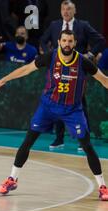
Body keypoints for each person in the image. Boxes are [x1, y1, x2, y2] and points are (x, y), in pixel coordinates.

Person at [0, 30, 108, 201]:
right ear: (59, 41)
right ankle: (12, 179)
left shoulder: (83, 62)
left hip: (72, 110)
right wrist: (3, 80)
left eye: (70, 41)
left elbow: (104, 80)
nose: (67, 44)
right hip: (48, 106)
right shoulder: (51, 56)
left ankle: (102, 186)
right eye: (64, 40)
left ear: (74, 43)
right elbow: (26, 69)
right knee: (28, 141)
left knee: (87, 145)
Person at [40, 1, 105, 150]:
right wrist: (49, 55)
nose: (66, 12)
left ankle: (83, 141)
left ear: (74, 11)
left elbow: (101, 40)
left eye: (69, 9)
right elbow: (43, 41)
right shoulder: (54, 25)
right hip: (57, 71)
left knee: (81, 104)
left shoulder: (83, 25)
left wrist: (90, 54)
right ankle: (59, 138)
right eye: (63, 9)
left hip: (77, 72)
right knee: (57, 102)